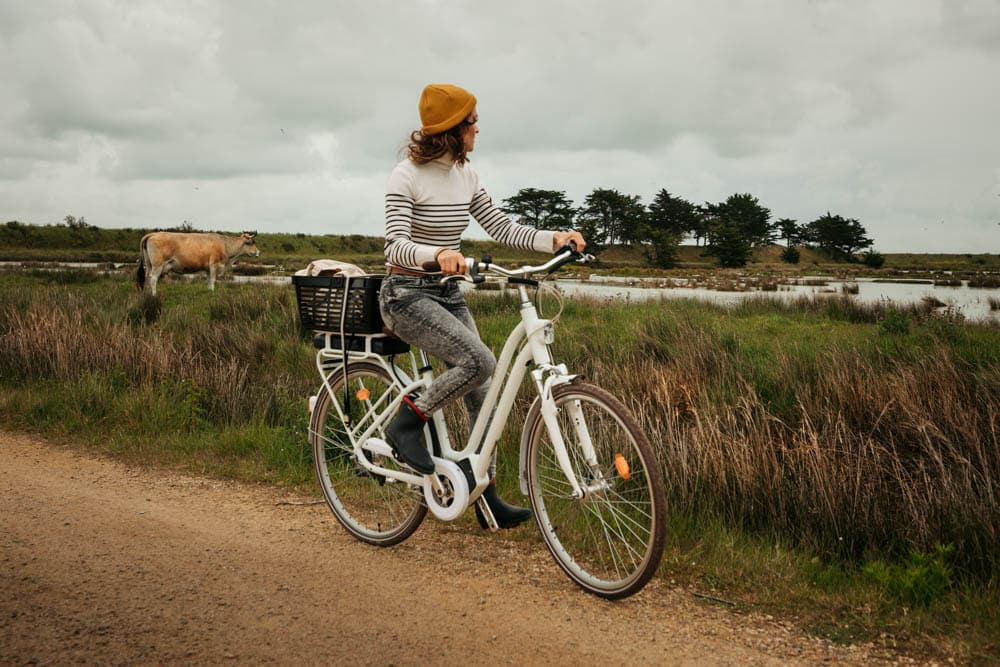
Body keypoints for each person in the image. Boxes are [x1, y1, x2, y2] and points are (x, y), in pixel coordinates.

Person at [379, 83, 586, 528]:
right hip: (406, 294)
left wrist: (555, 238)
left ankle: (484, 494)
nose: (478, 130)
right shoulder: (406, 176)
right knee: (480, 360)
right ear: (453, 130)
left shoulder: (466, 177)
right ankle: (407, 423)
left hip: (448, 292)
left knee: (483, 394)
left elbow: (502, 227)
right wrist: (436, 255)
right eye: (473, 123)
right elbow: (395, 246)